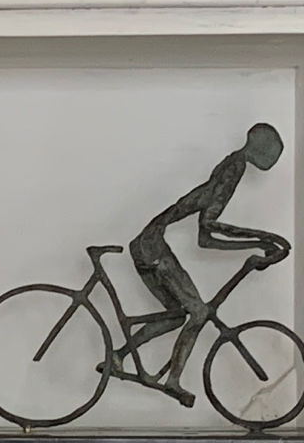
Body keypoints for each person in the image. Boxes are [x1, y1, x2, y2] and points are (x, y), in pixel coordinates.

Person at [123, 122, 289, 399]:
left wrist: (254, 244)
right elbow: (211, 225)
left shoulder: (230, 164)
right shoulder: (233, 168)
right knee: (199, 313)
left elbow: (205, 238)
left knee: (176, 316)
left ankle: (119, 357)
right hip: (152, 247)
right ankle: (173, 381)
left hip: (146, 243)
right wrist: (263, 237)